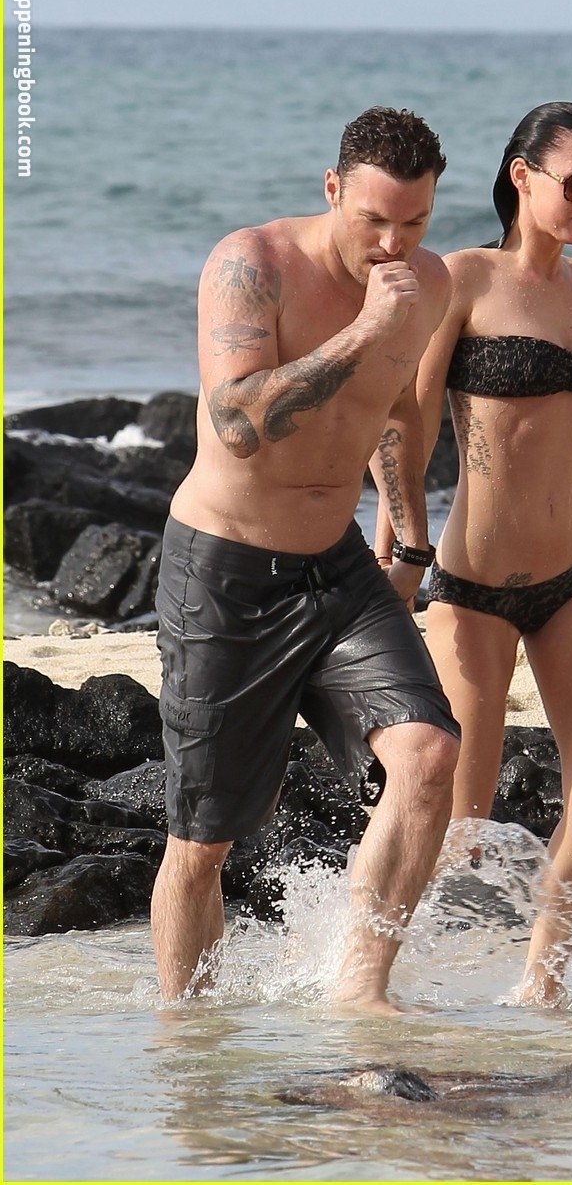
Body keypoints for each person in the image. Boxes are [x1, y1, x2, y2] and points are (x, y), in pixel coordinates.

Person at [150, 107, 461, 1014]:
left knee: (428, 755)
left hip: (339, 567)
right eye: (374, 220)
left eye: (414, 222)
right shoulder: (251, 264)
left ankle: (360, 994)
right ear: (332, 190)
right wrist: (367, 326)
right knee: (202, 844)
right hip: (225, 573)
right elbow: (237, 420)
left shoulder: (428, 283)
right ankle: (187, 1035)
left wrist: (408, 539)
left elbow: (395, 412)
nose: (393, 244)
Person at [376, 101, 572, 1006]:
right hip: (472, 586)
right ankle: (368, 979)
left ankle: (541, 992)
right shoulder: (461, 278)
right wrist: (400, 544)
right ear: (522, 176)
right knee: (455, 819)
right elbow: (402, 418)